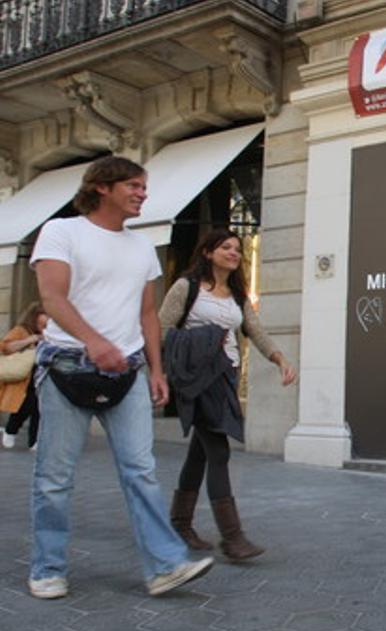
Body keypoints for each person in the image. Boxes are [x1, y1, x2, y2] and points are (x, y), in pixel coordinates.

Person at [28, 156, 213, 599]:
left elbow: (147, 313)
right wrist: (93, 341)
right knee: (55, 477)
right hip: (66, 366)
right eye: (133, 185)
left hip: (128, 370)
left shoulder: (141, 246)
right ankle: (47, 569)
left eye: (144, 186)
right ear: (102, 187)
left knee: (141, 471)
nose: (142, 193)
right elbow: (51, 297)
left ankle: (164, 566)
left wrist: (156, 369)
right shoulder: (62, 231)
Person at [159, 229, 296, 560]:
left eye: (237, 248)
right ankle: (232, 537)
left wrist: (280, 359)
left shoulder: (236, 295)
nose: (234, 253)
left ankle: (180, 522)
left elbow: (255, 330)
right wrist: (201, 342)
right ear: (208, 252)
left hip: (226, 379)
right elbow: (162, 330)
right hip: (198, 380)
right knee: (218, 451)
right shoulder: (187, 288)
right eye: (226, 247)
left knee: (200, 453)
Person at [1, 302, 48, 450]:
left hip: (42, 377)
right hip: (23, 379)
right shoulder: (21, 331)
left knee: (39, 408)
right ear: (34, 318)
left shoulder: (51, 334)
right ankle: (11, 428)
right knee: (29, 404)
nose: (44, 327)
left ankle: (34, 441)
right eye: (41, 323)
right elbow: (6, 347)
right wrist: (31, 339)